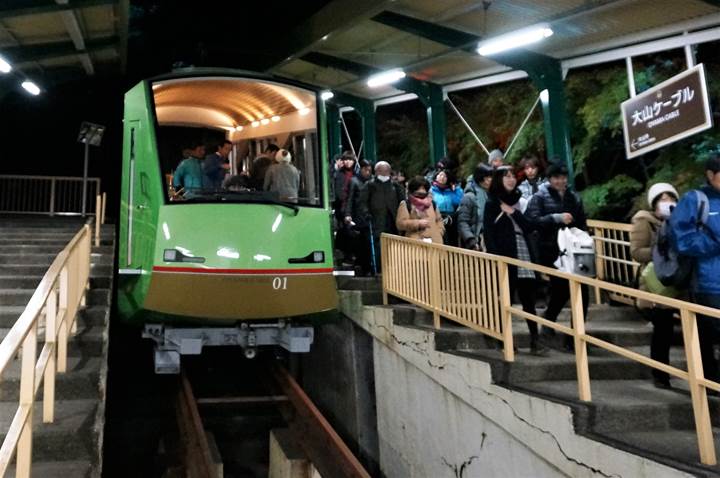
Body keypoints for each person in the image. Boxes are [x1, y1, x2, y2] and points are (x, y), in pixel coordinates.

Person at [525, 163, 589, 350]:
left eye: (563, 177)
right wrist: (556, 218)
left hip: (573, 251)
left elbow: (582, 223)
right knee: (561, 289)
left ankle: (575, 337)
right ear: (549, 179)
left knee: (581, 291)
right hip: (551, 251)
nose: (561, 181)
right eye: (556, 178)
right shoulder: (540, 198)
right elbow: (532, 222)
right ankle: (551, 322)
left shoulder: (573, 198)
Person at [484, 166, 546, 355]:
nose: (511, 180)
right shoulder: (492, 203)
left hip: (524, 250)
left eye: (512, 176)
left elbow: (529, 226)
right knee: (506, 298)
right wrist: (495, 257)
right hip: (505, 253)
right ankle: (504, 338)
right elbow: (488, 232)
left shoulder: (520, 201)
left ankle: (535, 339)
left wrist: (512, 212)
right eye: (506, 176)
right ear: (498, 180)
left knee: (528, 298)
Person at [670, 155, 720, 382]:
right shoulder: (696, 199)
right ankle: (707, 382)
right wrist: (715, 243)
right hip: (707, 282)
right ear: (710, 175)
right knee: (707, 334)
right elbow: (680, 239)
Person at [630, 182, 679, 389]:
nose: (667, 202)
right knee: (663, 329)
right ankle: (661, 374)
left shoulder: (681, 222)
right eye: (662, 198)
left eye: (671, 198)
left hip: (679, 282)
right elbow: (636, 252)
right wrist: (660, 251)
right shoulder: (644, 221)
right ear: (654, 203)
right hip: (656, 284)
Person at [357, 161, 405, 273]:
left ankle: (393, 268)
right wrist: (366, 213)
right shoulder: (370, 185)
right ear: (376, 171)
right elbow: (362, 202)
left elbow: (402, 202)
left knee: (393, 243)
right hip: (376, 220)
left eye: (386, 170)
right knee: (377, 244)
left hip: (392, 219)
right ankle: (378, 268)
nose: (384, 172)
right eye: (381, 170)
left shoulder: (395, 186)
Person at [344, 160, 374, 274]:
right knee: (361, 242)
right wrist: (348, 214)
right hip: (358, 216)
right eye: (365, 169)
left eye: (369, 170)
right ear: (361, 169)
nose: (368, 172)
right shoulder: (354, 181)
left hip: (369, 216)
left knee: (367, 242)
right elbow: (350, 199)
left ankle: (368, 265)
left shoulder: (371, 181)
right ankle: (363, 265)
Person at [396, 176, 444, 244]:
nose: (422, 191)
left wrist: (439, 232)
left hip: (435, 242)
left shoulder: (432, 203)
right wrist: (417, 223)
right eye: (419, 189)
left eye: (424, 188)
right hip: (414, 244)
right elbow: (400, 224)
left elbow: (439, 220)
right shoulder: (406, 204)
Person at [458, 164, 493, 250]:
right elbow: (462, 221)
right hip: (477, 242)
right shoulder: (469, 197)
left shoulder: (493, 195)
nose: (490, 180)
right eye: (487, 178)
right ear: (480, 179)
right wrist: (471, 240)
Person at [430, 170, 463, 246]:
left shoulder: (452, 191)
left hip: (451, 218)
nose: (442, 177)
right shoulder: (431, 190)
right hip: (437, 217)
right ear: (436, 176)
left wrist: (455, 190)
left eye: (445, 176)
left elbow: (458, 202)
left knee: (452, 241)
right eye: (440, 175)